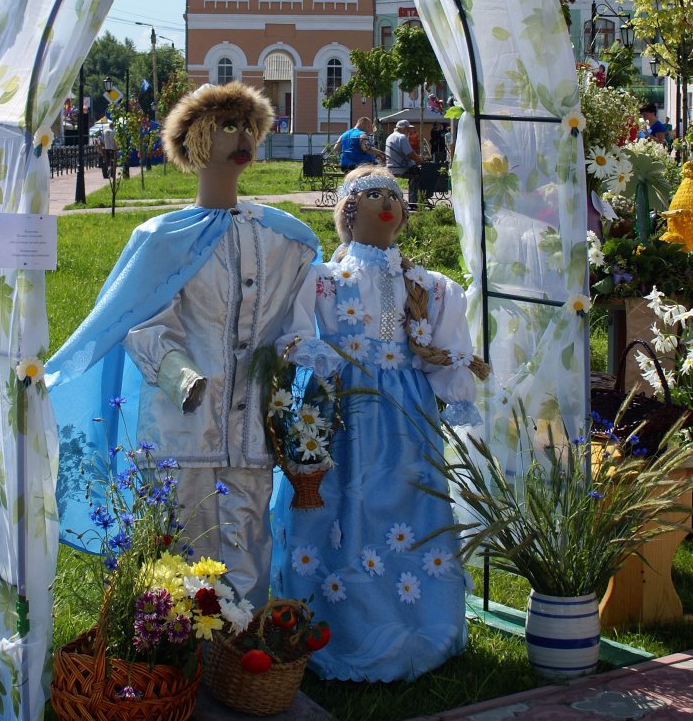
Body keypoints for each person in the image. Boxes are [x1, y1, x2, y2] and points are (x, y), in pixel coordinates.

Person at [47, 82, 320, 604]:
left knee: (248, 532)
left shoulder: (286, 241)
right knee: (179, 545)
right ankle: (177, 650)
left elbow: (298, 318)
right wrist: (180, 375)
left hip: (249, 432)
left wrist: (295, 360)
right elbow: (143, 322)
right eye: (225, 126)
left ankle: (241, 651)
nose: (240, 136)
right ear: (195, 139)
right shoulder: (162, 238)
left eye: (246, 125)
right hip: (182, 428)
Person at [271, 165, 488, 682]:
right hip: (347, 411)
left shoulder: (429, 287)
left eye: (393, 195)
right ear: (348, 209)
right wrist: (329, 363)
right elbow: (295, 334)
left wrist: (453, 379)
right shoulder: (324, 280)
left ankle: (421, 619)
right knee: (341, 503)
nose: (386, 204)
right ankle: (335, 622)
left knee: (413, 504)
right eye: (371, 195)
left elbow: (444, 353)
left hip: (409, 417)